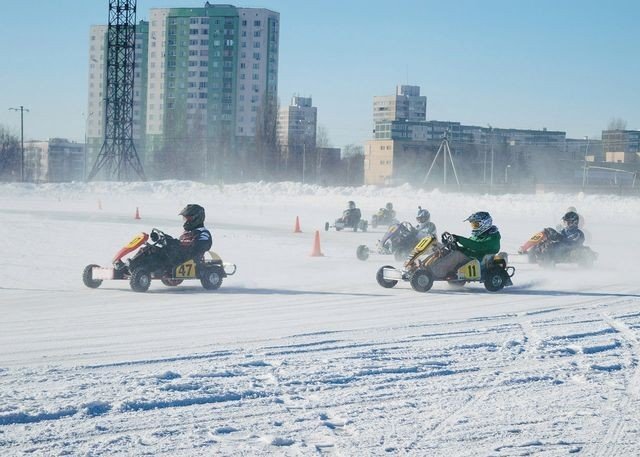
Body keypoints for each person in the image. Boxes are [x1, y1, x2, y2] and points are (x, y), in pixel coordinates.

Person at [428, 211, 501, 279]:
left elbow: (477, 246)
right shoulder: (478, 235)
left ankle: (434, 273)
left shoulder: (493, 237)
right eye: (473, 225)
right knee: (440, 248)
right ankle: (427, 267)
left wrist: (459, 239)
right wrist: (457, 247)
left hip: (478, 260)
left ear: (485, 224)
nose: (474, 227)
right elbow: (468, 247)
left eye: (476, 225)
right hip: (471, 256)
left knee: (457, 255)